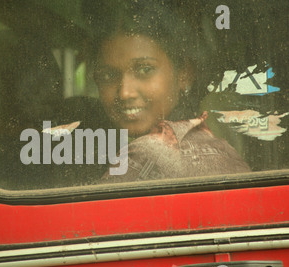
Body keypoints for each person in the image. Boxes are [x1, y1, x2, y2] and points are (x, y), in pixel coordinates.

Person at [86, 0, 252, 182]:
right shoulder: (222, 148)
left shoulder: (146, 154)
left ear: (184, 74)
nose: (125, 93)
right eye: (108, 76)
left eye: (144, 70)